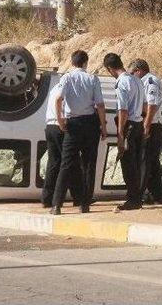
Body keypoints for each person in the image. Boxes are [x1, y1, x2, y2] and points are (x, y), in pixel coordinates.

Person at [51, 50, 107, 215]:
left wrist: (61, 121)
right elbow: (100, 105)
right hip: (90, 124)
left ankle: (57, 205)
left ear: (72, 62)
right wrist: (103, 127)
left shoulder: (67, 78)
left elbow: (58, 99)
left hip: (73, 124)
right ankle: (85, 204)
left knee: (66, 163)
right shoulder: (92, 78)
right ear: (86, 62)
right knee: (89, 164)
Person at [103, 52, 146, 211]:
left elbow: (122, 110)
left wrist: (120, 135)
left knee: (128, 164)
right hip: (138, 124)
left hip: (128, 126)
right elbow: (144, 107)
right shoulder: (137, 80)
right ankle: (137, 198)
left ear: (109, 69)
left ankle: (133, 200)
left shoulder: (122, 83)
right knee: (136, 163)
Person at [41, 82, 83, 209]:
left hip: (50, 127)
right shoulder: (67, 89)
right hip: (61, 126)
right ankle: (79, 197)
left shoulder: (54, 88)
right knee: (71, 162)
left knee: (53, 163)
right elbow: (64, 107)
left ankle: (47, 198)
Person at [128, 58, 162, 205]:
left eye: (132, 73)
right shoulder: (142, 81)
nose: (130, 76)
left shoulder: (150, 81)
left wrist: (146, 125)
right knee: (152, 163)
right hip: (152, 125)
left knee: (143, 162)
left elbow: (152, 104)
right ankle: (157, 196)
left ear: (138, 70)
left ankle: (137, 198)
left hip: (151, 126)